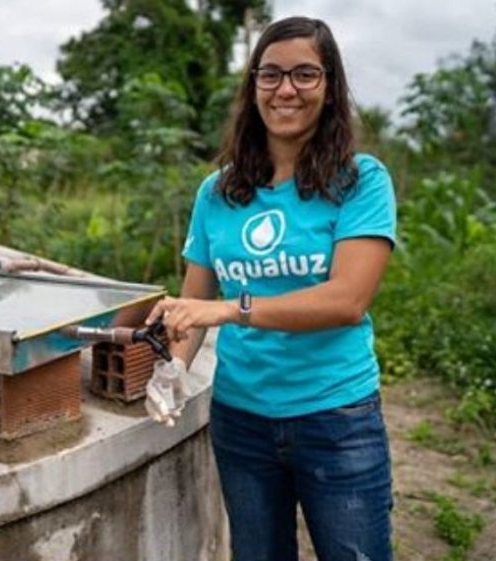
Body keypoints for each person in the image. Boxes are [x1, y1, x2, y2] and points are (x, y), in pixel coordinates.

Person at [142, 16, 397, 561]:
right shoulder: (219, 191)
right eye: (271, 74)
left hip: (336, 417)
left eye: (305, 74)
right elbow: (192, 304)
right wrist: (173, 369)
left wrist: (231, 310)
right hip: (241, 421)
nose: (286, 89)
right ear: (253, 86)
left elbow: (347, 300)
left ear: (330, 87)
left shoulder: (360, 180)